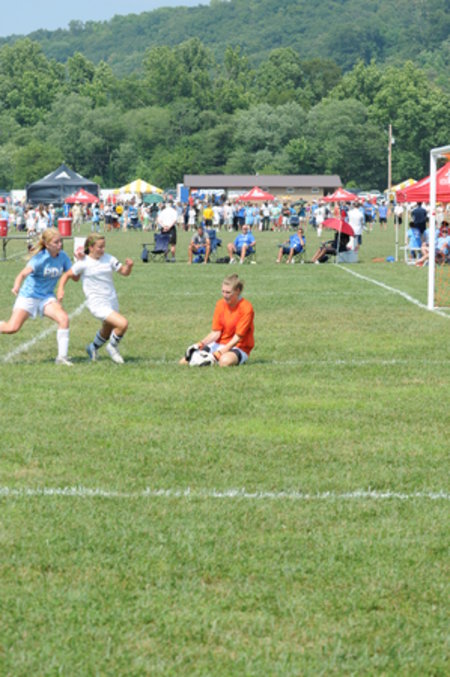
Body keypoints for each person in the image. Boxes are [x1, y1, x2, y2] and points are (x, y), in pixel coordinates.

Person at [0, 228, 73, 366]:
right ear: (47, 244)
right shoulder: (40, 258)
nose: (60, 245)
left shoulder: (63, 256)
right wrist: (16, 286)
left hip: (46, 297)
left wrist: (80, 261)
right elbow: (22, 274)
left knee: (63, 319)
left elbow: (74, 276)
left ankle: (62, 358)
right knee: (12, 328)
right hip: (29, 296)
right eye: (56, 242)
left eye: (60, 241)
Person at [57, 233, 133, 364]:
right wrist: (60, 289)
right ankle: (112, 347)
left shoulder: (109, 259)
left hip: (111, 300)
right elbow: (67, 275)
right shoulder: (83, 263)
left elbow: (124, 272)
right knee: (123, 324)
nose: (103, 249)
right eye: (100, 247)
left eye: (104, 246)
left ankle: (92, 348)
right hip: (97, 303)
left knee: (108, 329)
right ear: (91, 247)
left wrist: (129, 266)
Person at [180, 274, 254, 367]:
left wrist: (219, 353)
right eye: (223, 291)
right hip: (218, 344)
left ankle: (218, 360)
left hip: (239, 347)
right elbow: (216, 332)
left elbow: (237, 338)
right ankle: (210, 360)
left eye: (228, 292)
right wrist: (199, 344)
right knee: (184, 361)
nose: (225, 295)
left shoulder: (246, 308)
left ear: (237, 291)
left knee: (224, 361)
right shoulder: (220, 304)